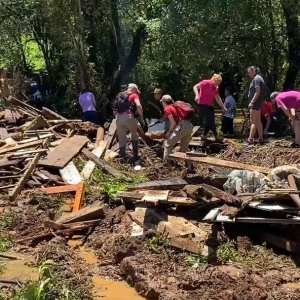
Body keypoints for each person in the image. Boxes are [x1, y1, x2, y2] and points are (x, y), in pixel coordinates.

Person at [161, 95, 194, 171]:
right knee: (184, 148)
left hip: (182, 126)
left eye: (162, 102)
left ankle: (167, 166)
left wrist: (169, 132)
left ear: (164, 102)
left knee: (168, 144)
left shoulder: (167, 108)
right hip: (189, 125)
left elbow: (173, 122)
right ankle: (190, 165)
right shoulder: (175, 106)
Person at [114, 83, 144, 163]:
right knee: (134, 135)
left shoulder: (119, 94)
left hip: (118, 118)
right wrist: (142, 118)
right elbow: (138, 106)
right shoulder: (134, 95)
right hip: (128, 116)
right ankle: (135, 156)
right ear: (133, 89)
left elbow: (115, 107)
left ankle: (123, 158)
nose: (137, 92)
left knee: (121, 138)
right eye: (136, 90)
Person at [193, 74, 227, 141]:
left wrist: (223, 107)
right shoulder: (205, 82)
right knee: (210, 119)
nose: (217, 85)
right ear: (213, 80)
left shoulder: (216, 88)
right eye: (217, 83)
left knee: (210, 120)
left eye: (219, 84)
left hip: (209, 105)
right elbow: (195, 87)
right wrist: (197, 95)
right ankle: (216, 135)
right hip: (202, 104)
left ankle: (204, 135)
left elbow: (218, 98)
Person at [245, 66, 267, 145]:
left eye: (249, 72)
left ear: (253, 71)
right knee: (257, 121)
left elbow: (258, 91)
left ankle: (250, 139)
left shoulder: (256, 79)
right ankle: (260, 138)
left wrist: (252, 102)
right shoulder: (258, 78)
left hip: (256, 104)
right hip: (257, 104)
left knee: (253, 121)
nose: (248, 74)